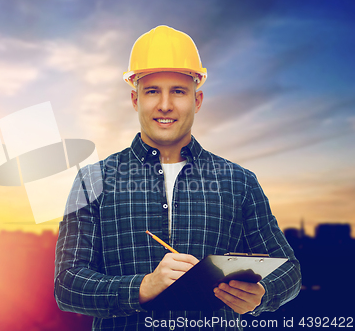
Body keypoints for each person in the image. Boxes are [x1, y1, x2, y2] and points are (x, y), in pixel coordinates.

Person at [54, 25, 301, 331]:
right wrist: (143, 287)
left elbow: (288, 269)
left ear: (197, 100)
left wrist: (262, 294)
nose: (165, 104)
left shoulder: (239, 182)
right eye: (152, 91)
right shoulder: (93, 180)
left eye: (179, 91)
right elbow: (67, 284)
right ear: (135, 99)